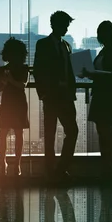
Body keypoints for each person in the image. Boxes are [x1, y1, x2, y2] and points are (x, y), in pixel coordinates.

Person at [33, 10, 78, 178]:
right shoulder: (43, 44)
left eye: (67, 26)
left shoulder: (67, 45)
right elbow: (38, 69)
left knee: (72, 131)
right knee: (50, 134)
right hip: (51, 96)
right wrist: (43, 93)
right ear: (54, 25)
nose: (66, 29)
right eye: (64, 26)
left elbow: (70, 70)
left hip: (66, 96)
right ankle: (51, 170)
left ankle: (60, 168)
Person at [82, 20, 112, 176]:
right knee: (101, 129)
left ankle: (109, 166)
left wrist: (92, 73)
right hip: (99, 92)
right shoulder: (103, 51)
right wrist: (88, 73)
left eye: (102, 33)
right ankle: (105, 164)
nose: (100, 37)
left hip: (107, 93)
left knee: (106, 129)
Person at [0, 38, 30, 176]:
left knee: (16, 132)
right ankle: (3, 163)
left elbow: (23, 85)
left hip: (17, 102)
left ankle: (16, 164)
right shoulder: (1, 70)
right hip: (9, 101)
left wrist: (9, 80)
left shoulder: (24, 68)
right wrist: (5, 81)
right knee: (4, 132)